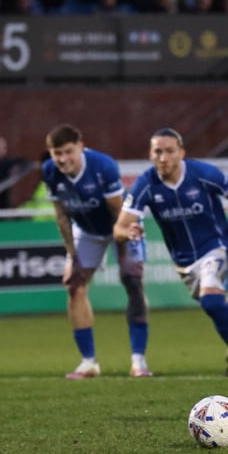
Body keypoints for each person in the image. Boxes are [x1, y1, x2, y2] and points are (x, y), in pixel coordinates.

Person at [113, 128, 228, 377]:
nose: (163, 157)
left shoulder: (203, 174)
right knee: (220, 307)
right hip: (184, 262)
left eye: (169, 151)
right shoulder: (146, 184)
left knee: (211, 300)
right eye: (158, 151)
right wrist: (128, 232)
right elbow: (119, 228)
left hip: (215, 248)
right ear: (150, 154)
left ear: (181, 153)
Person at [42, 125, 151, 378]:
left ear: (81, 146)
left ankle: (138, 361)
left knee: (132, 282)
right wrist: (73, 255)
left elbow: (118, 213)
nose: (62, 159)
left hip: (120, 225)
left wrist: (123, 249)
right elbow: (61, 217)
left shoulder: (103, 166)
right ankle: (88, 362)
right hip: (86, 231)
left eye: (68, 151)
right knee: (74, 285)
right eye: (57, 153)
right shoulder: (50, 172)